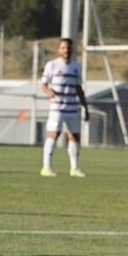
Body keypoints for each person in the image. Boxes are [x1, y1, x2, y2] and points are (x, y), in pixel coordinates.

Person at [39, 38, 89, 177]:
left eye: (68, 48)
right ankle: (46, 167)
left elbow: (79, 88)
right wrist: (48, 90)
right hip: (57, 107)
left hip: (72, 107)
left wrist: (85, 107)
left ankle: (74, 168)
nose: (66, 50)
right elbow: (43, 84)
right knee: (55, 134)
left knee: (74, 136)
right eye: (63, 48)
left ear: (72, 50)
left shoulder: (76, 67)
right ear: (59, 49)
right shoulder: (52, 65)